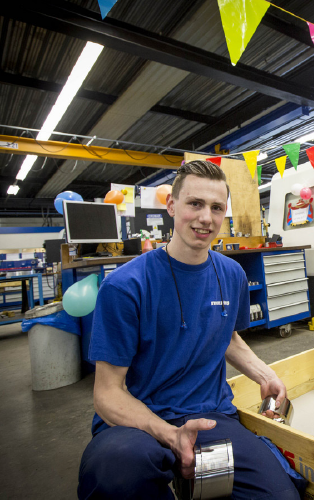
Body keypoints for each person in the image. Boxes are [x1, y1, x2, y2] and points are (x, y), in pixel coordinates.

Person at [78, 160, 300, 499]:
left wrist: (263, 374)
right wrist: (169, 434)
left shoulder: (232, 275)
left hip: (209, 417)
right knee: (115, 477)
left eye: (216, 208)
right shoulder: (125, 286)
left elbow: (226, 335)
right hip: (137, 422)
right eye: (194, 204)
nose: (206, 218)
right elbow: (107, 395)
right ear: (171, 205)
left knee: (278, 495)